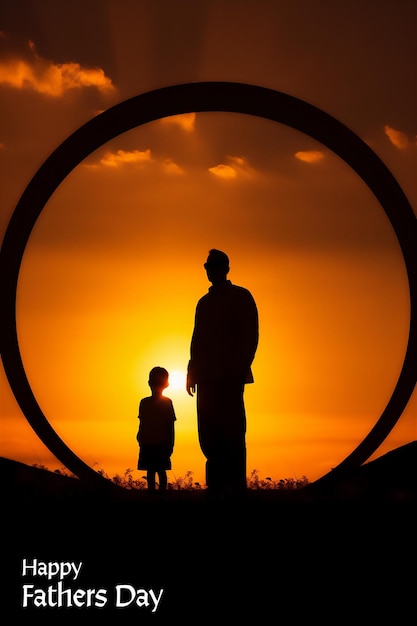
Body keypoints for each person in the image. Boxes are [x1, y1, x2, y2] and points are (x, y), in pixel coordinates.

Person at [186, 249, 259, 497]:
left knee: (232, 434)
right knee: (208, 434)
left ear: (226, 268)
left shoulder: (241, 297)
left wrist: (236, 369)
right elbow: (197, 340)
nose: (211, 270)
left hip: (229, 378)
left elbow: (250, 336)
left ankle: (236, 487)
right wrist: (191, 371)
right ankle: (215, 487)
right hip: (206, 379)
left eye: (215, 266)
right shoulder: (203, 304)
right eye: (208, 266)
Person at [137, 366, 176, 492]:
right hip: (148, 442)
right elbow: (142, 422)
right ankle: (153, 497)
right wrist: (140, 436)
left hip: (161, 443)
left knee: (160, 471)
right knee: (151, 472)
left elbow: (170, 425)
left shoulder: (166, 403)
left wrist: (170, 444)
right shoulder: (144, 403)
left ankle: (160, 497)